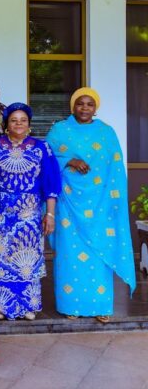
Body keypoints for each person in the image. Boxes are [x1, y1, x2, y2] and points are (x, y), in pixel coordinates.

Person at [46, 88, 136, 323]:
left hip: (99, 205)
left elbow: (115, 168)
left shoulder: (106, 133)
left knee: (98, 253)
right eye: (80, 104)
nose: (84, 108)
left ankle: (101, 307)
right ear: (72, 106)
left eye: (89, 104)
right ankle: (70, 305)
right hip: (68, 203)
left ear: (96, 108)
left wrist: (112, 203)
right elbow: (46, 160)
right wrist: (69, 160)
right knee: (69, 254)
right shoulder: (59, 131)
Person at [0, 103, 61, 321]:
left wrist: (50, 214)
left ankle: (29, 305)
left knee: (27, 261)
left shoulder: (41, 148)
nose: (19, 124)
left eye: (23, 120)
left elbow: (51, 184)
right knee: (0, 259)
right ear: (6, 124)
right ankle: (1, 306)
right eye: (14, 120)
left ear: (29, 124)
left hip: (29, 215)